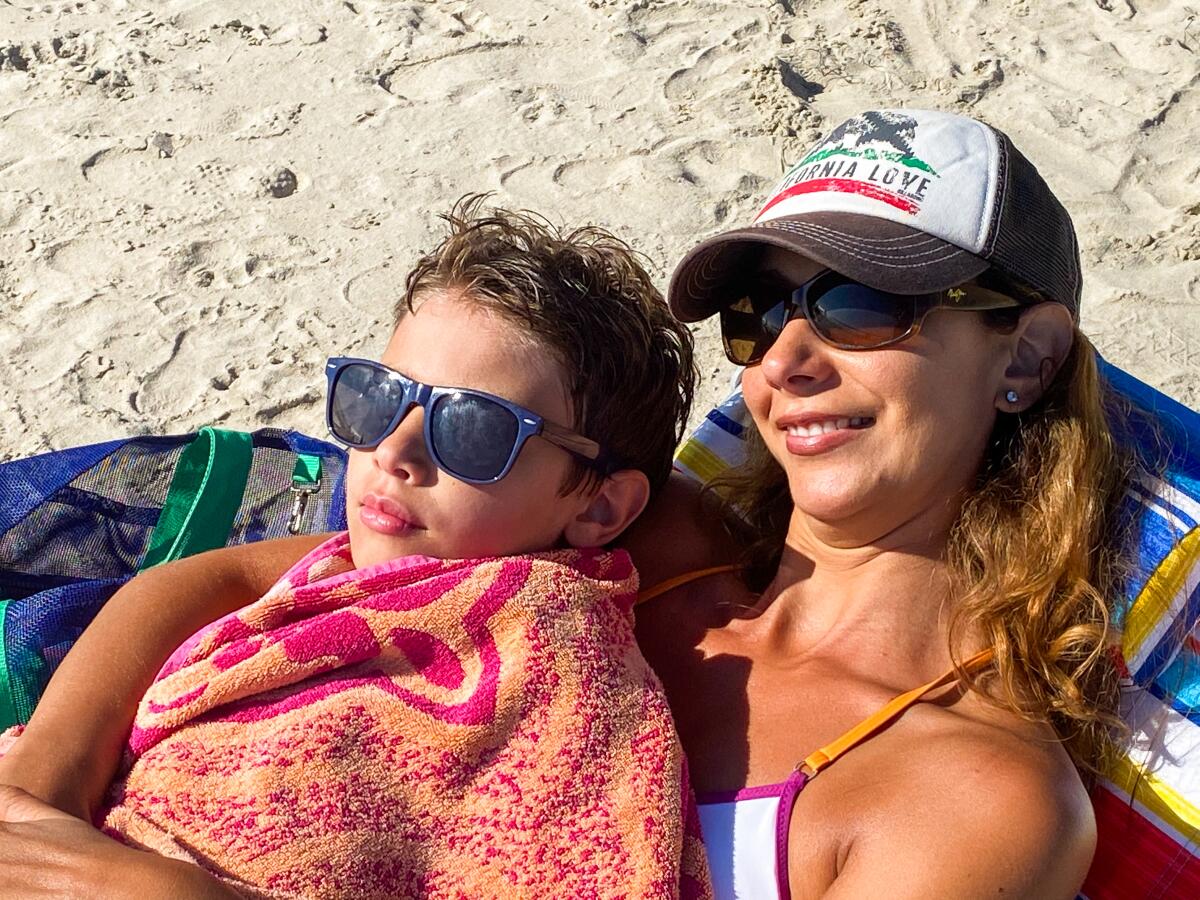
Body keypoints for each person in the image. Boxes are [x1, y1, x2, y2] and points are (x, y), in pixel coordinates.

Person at [3, 108, 1132, 898]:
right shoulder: (658, 540)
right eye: (761, 313)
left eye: (861, 303)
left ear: (1023, 359)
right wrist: (42, 791)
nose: (784, 360)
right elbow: (245, 578)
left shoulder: (978, 799)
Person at [0, 197, 707, 898]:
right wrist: (47, 775)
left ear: (601, 504)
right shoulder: (351, 568)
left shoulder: (560, 654)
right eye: (376, 398)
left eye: (471, 428)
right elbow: (207, 576)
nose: (391, 450)